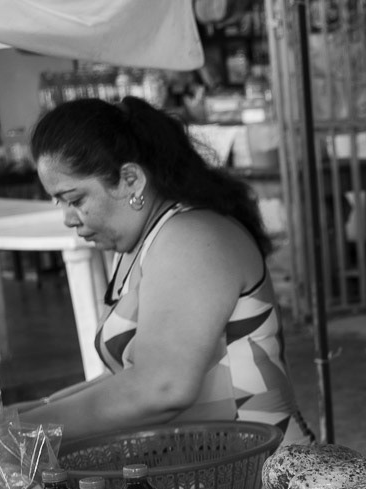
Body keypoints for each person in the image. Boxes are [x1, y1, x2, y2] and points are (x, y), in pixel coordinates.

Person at [20, 97, 313, 446]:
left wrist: (16, 430)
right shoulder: (137, 246)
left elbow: (161, 387)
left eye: (75, 199)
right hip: (216, 472)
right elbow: (126, 380)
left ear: (130, 179)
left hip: (269, 474)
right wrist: (23, 415)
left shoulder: (191, 239)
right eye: (60, 203)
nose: (68, 218)